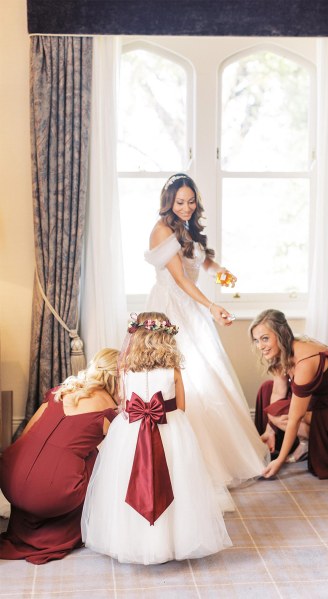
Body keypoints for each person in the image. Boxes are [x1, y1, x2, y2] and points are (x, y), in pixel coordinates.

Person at [144, 174, 270, 506]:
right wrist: (212, 306)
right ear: (168, 202)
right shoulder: (162, 230)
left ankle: (222, 458)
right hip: (172, 310)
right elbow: (181, 279)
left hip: (192, 309)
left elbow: (202, 259)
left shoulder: (188, 227)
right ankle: (182, 462)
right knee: (183, 382)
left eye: (191, 201)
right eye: (179, 202)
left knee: (209, 380)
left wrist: (220, 272)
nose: (186, 207)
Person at [81, 312, 232, 564]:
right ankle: (173, 541)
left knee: (130, 480)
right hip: (170, 429)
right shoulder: (173, 369)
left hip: (130, 433)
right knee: (175, 481)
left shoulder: (125, 370)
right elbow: (181, 406)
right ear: (167, 338)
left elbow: (124, 403)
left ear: (137, 337)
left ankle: (134, 541)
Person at [0, 348, 120, 564]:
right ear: (117, 379)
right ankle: (69, 529)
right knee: (95, 459)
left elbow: (27, 433)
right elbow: (120, 460)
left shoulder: (61, 391)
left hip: (9, 480)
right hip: (50, 495)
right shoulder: (109, 411)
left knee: (76, 452)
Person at [249, 309, 328, 480]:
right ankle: (302, 442)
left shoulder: (306, 360)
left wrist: (280, 461)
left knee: (284, 414)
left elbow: (295, 417)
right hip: (316, 403)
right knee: (267, 389)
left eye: (265, 339)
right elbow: (277, 392)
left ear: (280, 334)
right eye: (256, 340)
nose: (260, 346)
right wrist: (270, 430)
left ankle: (307, 442)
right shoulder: (281, 350)